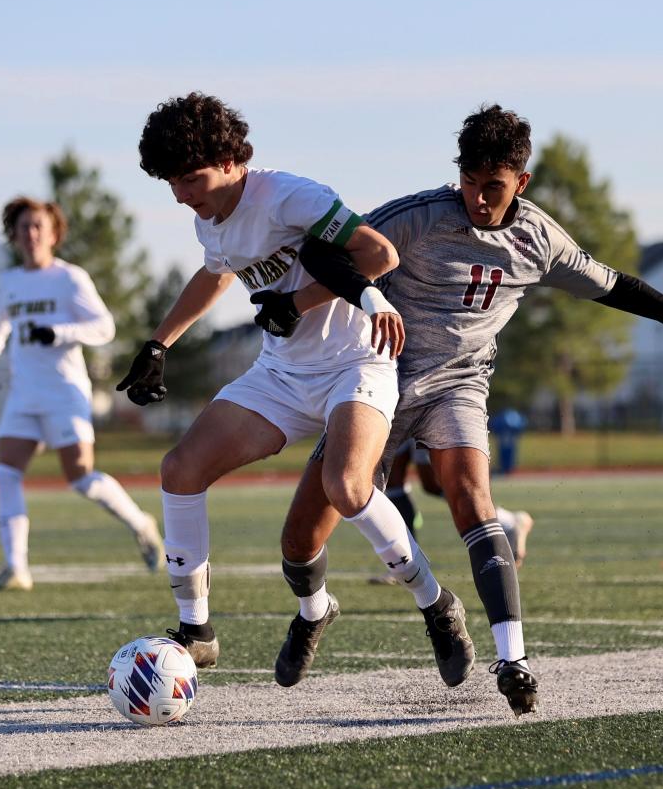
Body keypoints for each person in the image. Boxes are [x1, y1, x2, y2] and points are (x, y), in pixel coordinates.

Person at [260, 104, 663, 717]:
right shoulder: (419, 217)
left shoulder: (541, 240)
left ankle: (513, 657)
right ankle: (314, 609)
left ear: (520, 182)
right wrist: (316, 300)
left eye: (493, 187)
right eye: (470, 183)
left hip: (459, 386)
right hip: (376, 380)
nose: (478, 198)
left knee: (471, 495)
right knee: (299, 536)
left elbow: (624, 289)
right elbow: (324, 249)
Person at [116, 93, 474, 688]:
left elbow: (377, 254)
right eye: (171, 183)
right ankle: (196, 630)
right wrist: (160, 344)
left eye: (191, 178)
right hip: (282, 372)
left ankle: (437, 604)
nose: (182, 194)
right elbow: (216, 271)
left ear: (234, 159)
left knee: (348, 486)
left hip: (357, 362)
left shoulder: (289, 195)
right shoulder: (209, 213)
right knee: (180, 468)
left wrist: (298, 301)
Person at [0, 196, 164, 591]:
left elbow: (104, 327)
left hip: (65, 392)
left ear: (54, 233)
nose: (30, 234)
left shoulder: (69, 278)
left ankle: (140, 523)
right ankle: (17, 569)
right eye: (23, 227)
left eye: (38, 226)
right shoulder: (9, 281)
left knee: (79, 476)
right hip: (24, 395)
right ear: (13, 236)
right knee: (6, 472)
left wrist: (60, 332)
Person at [370, 438, 533, 585]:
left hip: (421, 410)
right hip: (398, 411)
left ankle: (508, 521)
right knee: (393, 479)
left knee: (435, 483)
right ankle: (405, 563)